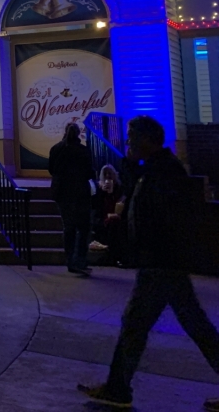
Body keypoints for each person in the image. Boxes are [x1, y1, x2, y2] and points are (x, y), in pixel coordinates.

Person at [79, 116, 219, 411]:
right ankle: (117, 387)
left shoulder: (166, 171)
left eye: (131, 135)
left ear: (146, 139)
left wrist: (154, 249)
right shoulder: (155, 168)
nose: (127, 140)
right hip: (160, 263)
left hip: (162, 263)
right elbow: (136, 193)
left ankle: (117, 388)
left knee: (147, 324)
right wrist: (129, 165)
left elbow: (170, 218)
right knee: (180, 324)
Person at [48, 122, 95, 276]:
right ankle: (80, 259)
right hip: (80, 193)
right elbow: (89, 172)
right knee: (83, 228)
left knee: (68, 227)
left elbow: (51, 169)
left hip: (61, 192)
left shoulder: (56, 149)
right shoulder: (83, 151)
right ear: (78, 133)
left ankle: (70, 260)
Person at [91, 164, 126, 265]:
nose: (107, 176)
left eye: (109, 174)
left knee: (116, 223)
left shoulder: (119, 187)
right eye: (105, 174)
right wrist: (102, 192)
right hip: (102, 217)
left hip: (117, 215)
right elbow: (96, 206)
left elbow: (122, 202)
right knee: (110, 224)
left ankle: (114, 255)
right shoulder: (98, 188)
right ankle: (112, 255)